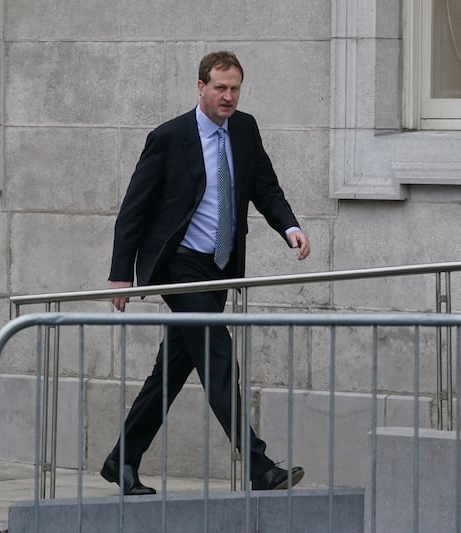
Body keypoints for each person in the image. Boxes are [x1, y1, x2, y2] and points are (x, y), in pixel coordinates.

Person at [102, 51, 311, 495]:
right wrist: (121, 273)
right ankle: (259, 466)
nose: (228, 96)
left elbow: (265, 188)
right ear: (201, 87)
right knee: (219, 358)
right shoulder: (169, 137)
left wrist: (289, 227)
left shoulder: (246, 129)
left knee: (172, 371)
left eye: (234, 88)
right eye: (220, 87)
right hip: (180, 267)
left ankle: (122, 459)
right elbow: (133, 210)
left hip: (219, 268)